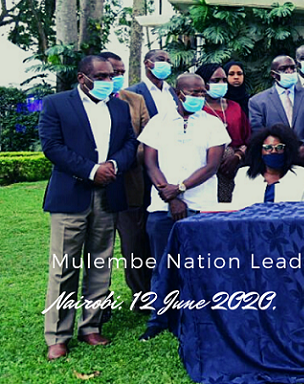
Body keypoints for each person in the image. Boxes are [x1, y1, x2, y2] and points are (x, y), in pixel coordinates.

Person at [39, 56, 138, 360]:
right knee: (64, 267)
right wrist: (92, 170)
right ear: (83, 78)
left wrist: (113, 165)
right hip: (72, 194)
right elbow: (52, 146)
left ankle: (91, 326)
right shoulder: (57, 104)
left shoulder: (119, 106)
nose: (111, 80)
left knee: (100, 263)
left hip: (108, 194)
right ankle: (57, 335)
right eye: (104, 76)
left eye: (112, 75)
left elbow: (130, 144)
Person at [138, 73, 229, 341]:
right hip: (161, 206)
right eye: (195, 93)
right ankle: (159, 318)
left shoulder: (213, 124)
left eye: (203, 92)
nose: (200, 97)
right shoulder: (159, 122)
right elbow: (150, 162)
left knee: (199, 264)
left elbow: (212, 166)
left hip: (201, 206)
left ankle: (197, 316)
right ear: (179, 94)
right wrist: (170, 195)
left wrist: (180, 189)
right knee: (162, 264)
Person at [98, 51, 153, 307]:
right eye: (112, 72)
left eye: (121, 72)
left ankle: (142, 297)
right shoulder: (87, 103)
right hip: (94, 183)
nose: (117, 77)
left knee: (134, 244)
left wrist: (122, 160)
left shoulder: (135, 100)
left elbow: (146, 139)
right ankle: (100, 302)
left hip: (130, 180)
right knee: (98, 248)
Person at [250, 55, 304, 199]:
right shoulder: (258, 102)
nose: (290, 72)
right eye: (284, 69)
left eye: (292, 68)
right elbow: (258, 133)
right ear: (274, 74)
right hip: (276, 165)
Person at [196, 63, 251, 203]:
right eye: (216, 80)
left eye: (223, 80)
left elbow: (248, 139)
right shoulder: (197, 109)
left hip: (235, 167)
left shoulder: (235, 107)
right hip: (205, 169)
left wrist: (237, 156)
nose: (221, 84)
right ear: (204, 83)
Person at [232, 124, 304, 205]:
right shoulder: (243, 175)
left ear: (287, 150)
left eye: (279, 147)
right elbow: (237, 209)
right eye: (268, 148)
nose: (274, 151)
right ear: (259, 151)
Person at [127, 49, 179, 117]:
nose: (165, 64)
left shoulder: (173, 92)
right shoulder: (132, 93)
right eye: (161, 60)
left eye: (168, 61)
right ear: (147, 63)